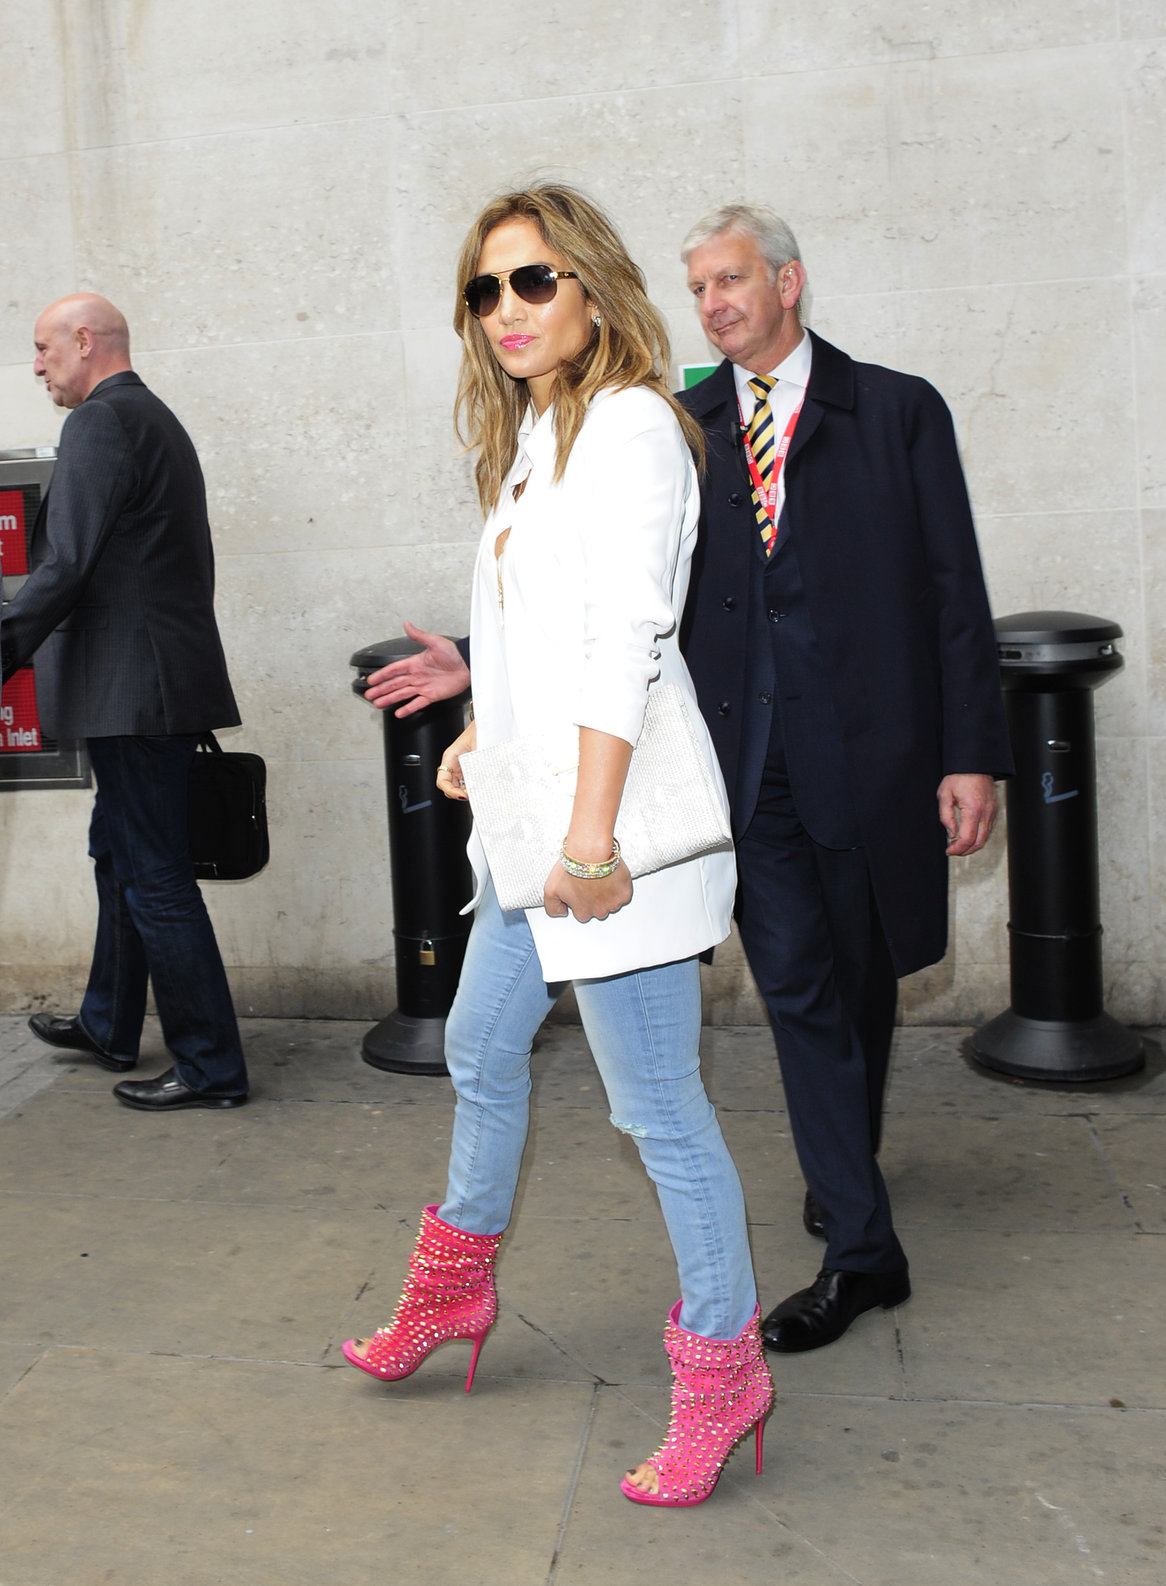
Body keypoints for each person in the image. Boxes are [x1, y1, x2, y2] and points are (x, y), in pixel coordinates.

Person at [343, 184, 772, 1508]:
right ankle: (455, 1294)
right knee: (479, 1048)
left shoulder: (635, 425)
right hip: (543, 835)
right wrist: (483, 728)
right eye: (484, 290)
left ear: (589, 287)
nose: (507, 311)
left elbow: (628, 639)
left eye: (533, 282)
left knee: (657, 1108)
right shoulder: (537, 435)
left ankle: (723, 1375)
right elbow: (540, 637)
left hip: (604, 852)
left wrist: (587, 837)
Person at [674, 204, 1012, 1351]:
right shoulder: (689, 425)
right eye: (699, 289)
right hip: (749, 765)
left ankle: (840, 1168)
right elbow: (627, 589)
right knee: (799, 991)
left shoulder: (897, 411)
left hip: (872, 756)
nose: (713, 304)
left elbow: (952, 590)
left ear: (788, 282)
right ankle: (862, 1250)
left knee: (862, 980)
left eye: (728, 281)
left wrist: (971, 751)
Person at [1, 294, 249, 1111]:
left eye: (43, 349)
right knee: (118, 857)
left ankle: (210, 1067)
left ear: (84, 341)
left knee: (155, 878)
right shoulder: (154, 419)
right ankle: (109, 1023)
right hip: (150, 684)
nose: (37, 366)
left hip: (133, 691)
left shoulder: (102, 424)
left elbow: (65, 563)